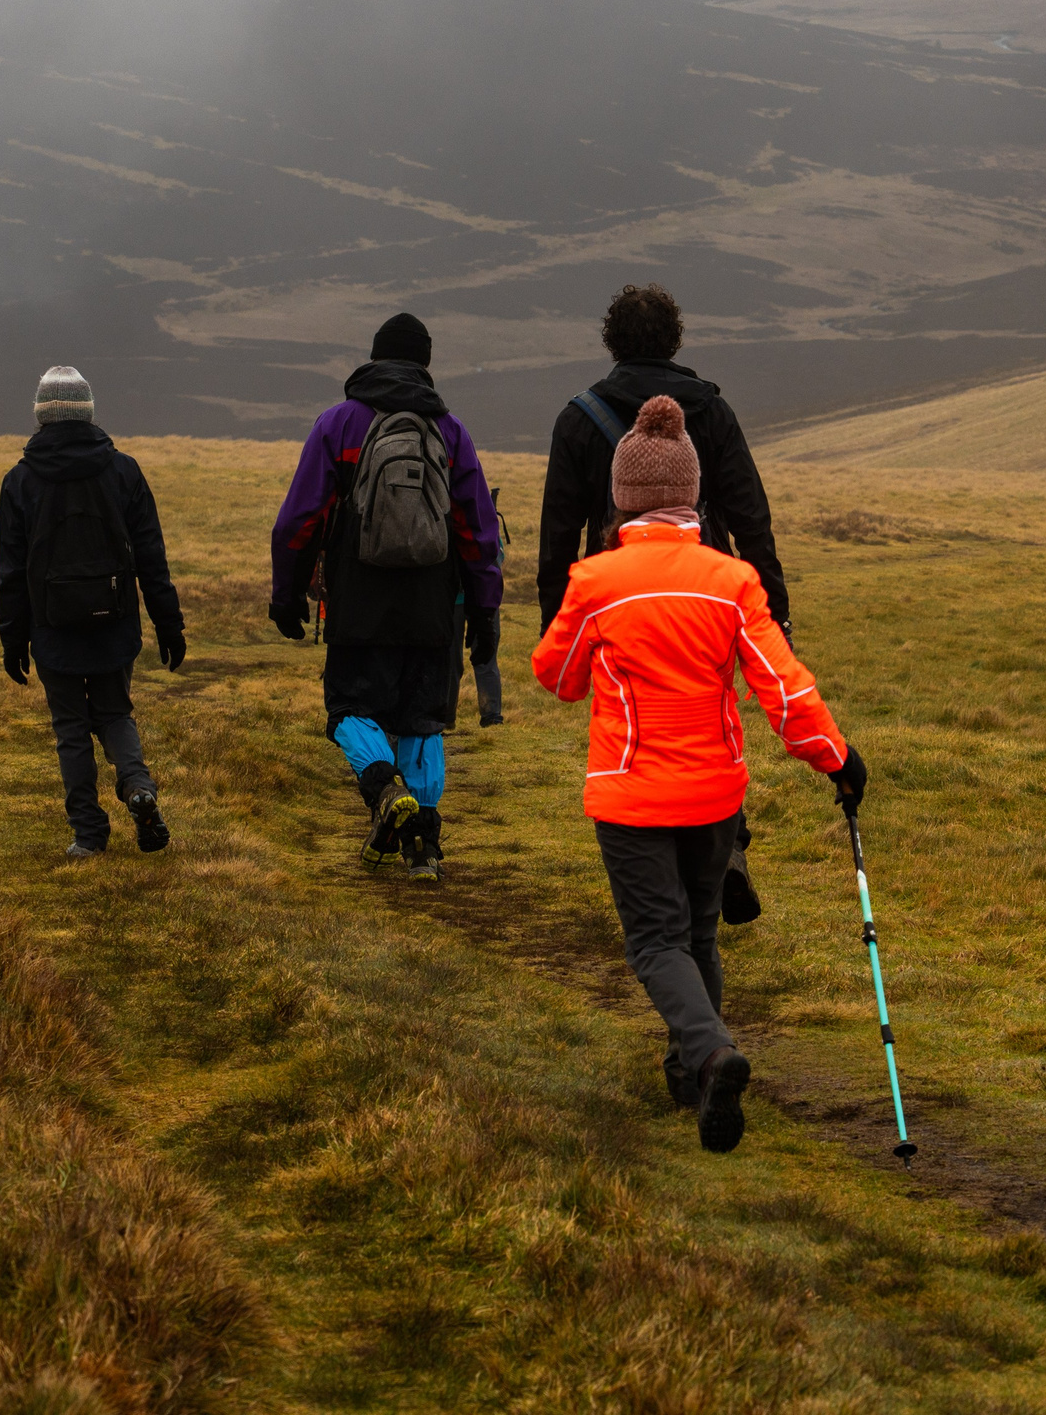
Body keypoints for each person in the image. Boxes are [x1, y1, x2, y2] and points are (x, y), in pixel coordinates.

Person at [532, 394, 867, 1153]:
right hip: (715, 790)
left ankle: (711, 1056)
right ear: (689, 495)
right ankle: (693, 1072)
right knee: (699, 933)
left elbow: (555, 676)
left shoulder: (595, 580)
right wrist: (836, 758)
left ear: (623, 498)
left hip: (631, 792)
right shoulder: (733, 579)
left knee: (655, 943)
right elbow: (783, 688)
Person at [537, 283, 787, 924]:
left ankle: (663, 869)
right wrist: (774, 609)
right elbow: (749, 514)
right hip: (708, 592)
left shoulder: (579, 417)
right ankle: (720, 846)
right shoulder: (710, 411)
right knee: (708, 724)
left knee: (634, 730)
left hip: (613, 599)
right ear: (675, 339)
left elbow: (558, 529)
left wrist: (555, 621)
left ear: (610, 340)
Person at [269, 313, 502, 882]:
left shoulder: (339, 424)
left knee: (350, 708)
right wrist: (484, 607)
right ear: (425, 364)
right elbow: (477, 528)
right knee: (422, 719)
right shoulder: (450, 431)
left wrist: (288, 592)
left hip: (358, 596)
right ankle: (423, 848)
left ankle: (381, 788)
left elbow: (300, 518)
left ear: (373, 358)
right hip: (433, 599)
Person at [0, 365, 188, 857]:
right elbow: (151, 555)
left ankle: (88, 834)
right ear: (88, 412)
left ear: (42, 416)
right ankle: (138, 787)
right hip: (114, 620)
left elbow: (11, 572)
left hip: (51, 627)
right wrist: (169, 624)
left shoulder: (19, 480)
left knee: (71, 729)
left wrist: (13, 639)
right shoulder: (124, 471)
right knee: (115, 712)